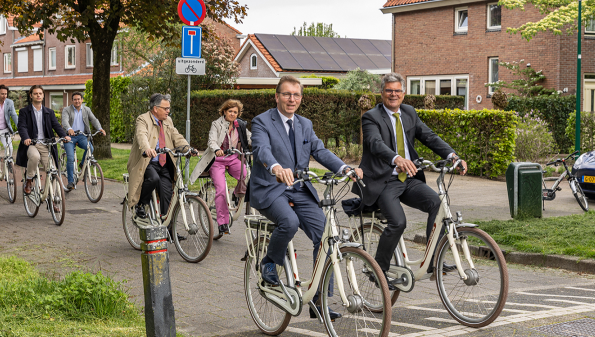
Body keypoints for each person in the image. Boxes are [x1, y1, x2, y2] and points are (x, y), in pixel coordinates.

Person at [250, 75, 363, 319]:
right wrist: (275, 168)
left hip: (300, 188)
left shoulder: (305, 124)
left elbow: (320, 150)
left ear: (301, 98)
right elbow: (261, 149)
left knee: (325, 236)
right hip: (271, 187)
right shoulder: (262, 121)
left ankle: (319, 299)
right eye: (287, 94)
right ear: (277, 96)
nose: (292, 99)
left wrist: (344, 168)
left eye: (296, 95)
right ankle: (269, 262)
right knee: (288, 222)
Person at [356, 73, 467, 286]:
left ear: (404, 93)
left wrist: (452, 155)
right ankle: (378, 271)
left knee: (437, 204)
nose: (393, 94)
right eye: (389, 90)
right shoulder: (371, 117)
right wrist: (396, 158)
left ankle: (434, 260)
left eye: (397, 90)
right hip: (384, 181)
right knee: (398, 222)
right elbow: (374, 142)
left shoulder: (409, 112)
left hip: (408, 178)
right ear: (382, 93)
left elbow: (429, 136)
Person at [126, 93, 195, 221]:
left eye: (169, 108)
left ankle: (168, 229)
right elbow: (142, 135)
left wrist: (188, 148)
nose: (168, 111)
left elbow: (176, 136)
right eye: (165, 108)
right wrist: (147, 148)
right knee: (153, 179)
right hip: (147, 161)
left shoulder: (168, 121)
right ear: (155, 108)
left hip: (163, 163)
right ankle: (141, 204)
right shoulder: (143, 119)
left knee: (167, 195)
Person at [188, 99, 251, 235]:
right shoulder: (216, 124)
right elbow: (212, 140)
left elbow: (250, 138)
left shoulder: (240, 125)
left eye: (235, 112)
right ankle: (223, 223)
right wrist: (217, 149)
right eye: (230, 111)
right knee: (221, 190)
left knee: (245, 174)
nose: (233, 114)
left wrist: (261, 143)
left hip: (233, 158)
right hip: (217, 160)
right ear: (224, 111)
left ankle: (236, 193)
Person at [17, 85, 70, 210]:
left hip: (46, 144)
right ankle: (29, 180)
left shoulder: (49, 112)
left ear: (43, 95)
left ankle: (52, 200)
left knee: (52, 170)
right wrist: (25, 138)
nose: (38, 95)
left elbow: (56, 126)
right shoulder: (24, 112)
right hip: (32, 143)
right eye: (35, 93)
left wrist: (64, 136)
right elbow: (22, 127)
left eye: (40, 93)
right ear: (31, 95)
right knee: (34, 157)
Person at [61, 92, 106, 191]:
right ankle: (70, 182)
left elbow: (94, 119)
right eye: (75, 99)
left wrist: (100, 128)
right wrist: (69, 129)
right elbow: (64, 121)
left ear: (82, 100)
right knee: (70, 157)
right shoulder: (66, 110)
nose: (77, 101)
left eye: (79, 99)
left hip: (82, 135)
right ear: (72, 101)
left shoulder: (86, 110)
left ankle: (82, 164)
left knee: (90, 148)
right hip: (69, 137)